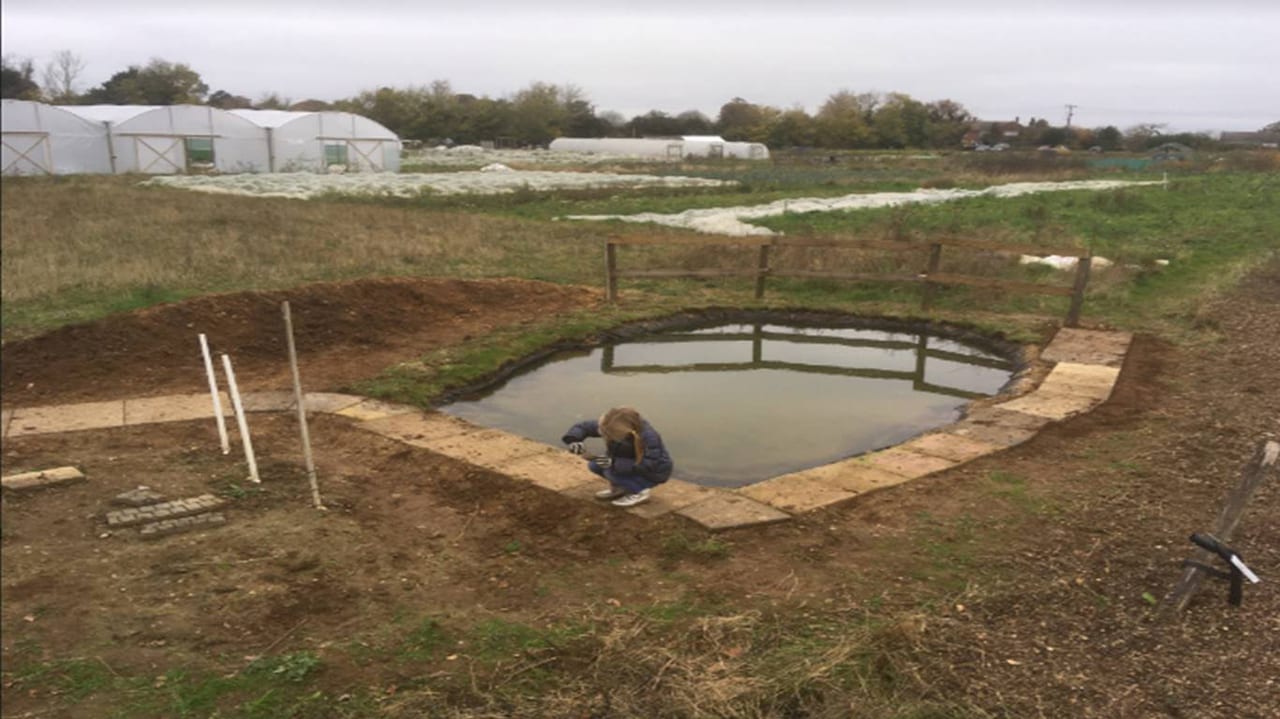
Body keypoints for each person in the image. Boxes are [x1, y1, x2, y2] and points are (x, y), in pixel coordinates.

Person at [562, 406, 673, 507]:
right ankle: (621, 488)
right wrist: (574, 440)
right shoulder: (611, 424)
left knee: (610, 471)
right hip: (625, 462)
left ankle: (640, 492)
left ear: (622, 434)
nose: (604, 436)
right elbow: (583, 427)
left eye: (607, 435)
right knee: (595, 465)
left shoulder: (648, 438)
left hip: (654, 471)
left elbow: (648, 464)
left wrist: (613, 463)